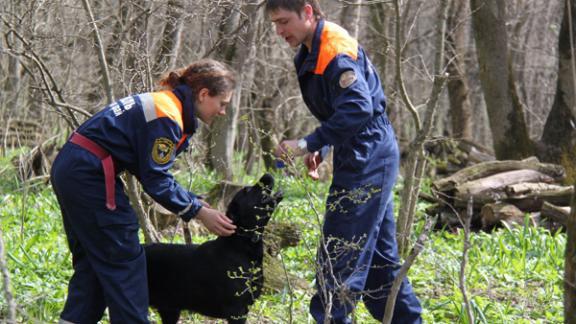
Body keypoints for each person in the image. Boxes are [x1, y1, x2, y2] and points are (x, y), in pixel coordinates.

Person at [266, 1, 423, 323]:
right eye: (275, 24)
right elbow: (339, 112)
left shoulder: (334, 51)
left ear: (307, 12)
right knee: (380, 263)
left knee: (339, 252)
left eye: (284, 22)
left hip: (369, 152)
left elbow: (359, 110)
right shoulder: (310, 52)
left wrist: (307, 142)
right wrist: (321, 149)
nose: (280, 31)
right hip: (361, 151)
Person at [50, 59, 238, 324]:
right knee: (124, 257)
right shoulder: (167, 116)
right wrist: (197, 211)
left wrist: (194, 202)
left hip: (74, 167)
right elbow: (156, 179)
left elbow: (148, 168)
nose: (222, 112)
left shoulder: (164, 104)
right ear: (204, 94)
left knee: (95, 262)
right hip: (89, 173)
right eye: (223, 104)